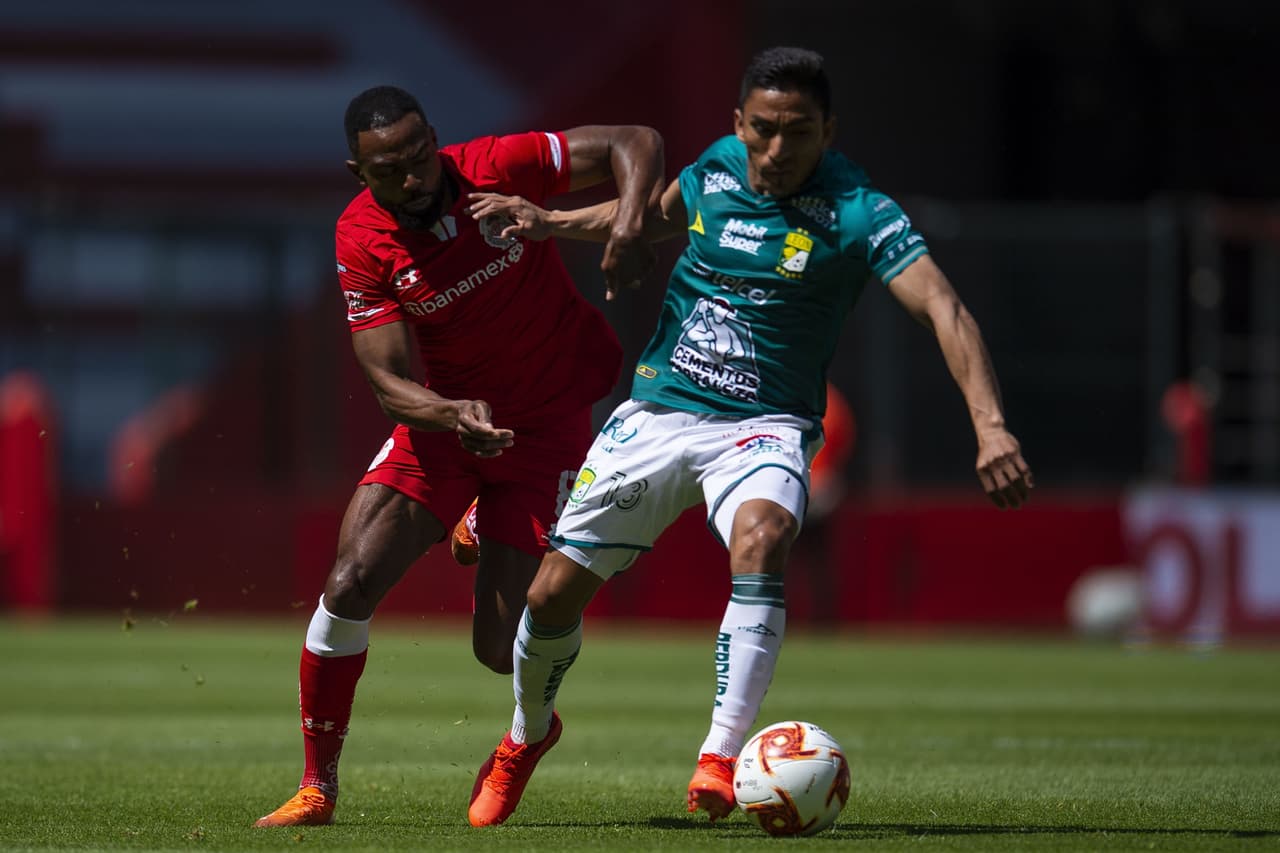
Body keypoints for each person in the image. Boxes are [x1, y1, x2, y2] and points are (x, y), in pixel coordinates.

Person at [462, 46, 1034, 828]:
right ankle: (528, 733)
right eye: (762, 128)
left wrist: (991, 426)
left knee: (762, 538)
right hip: (660, 413)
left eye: (796, 132)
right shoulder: (719, 167)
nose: (775, 149)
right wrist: (550, 220)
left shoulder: (860, 210)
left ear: (827, 130)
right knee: (550, 594)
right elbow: (653, 217)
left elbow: (943, 307)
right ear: (738, 122)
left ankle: (721, 756)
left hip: (765, 426)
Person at [252, 85, 664, 828]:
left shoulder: (501, 165)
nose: (413, 178)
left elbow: (634, 138)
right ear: (359, 173)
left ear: (435, 139)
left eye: (419, 157)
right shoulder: (361, 238)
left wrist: (628, 223)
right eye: (390, 170)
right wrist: (447, 413)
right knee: (348, 582)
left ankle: (530, 730)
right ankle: (318, 786)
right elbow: (386, 380)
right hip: (447, 427)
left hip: (547, 427)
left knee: (501, 651)